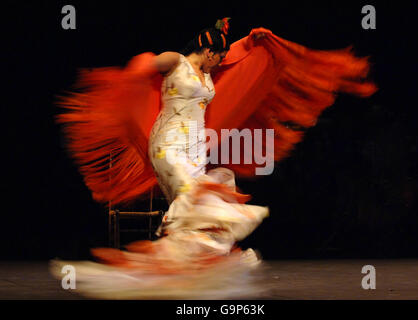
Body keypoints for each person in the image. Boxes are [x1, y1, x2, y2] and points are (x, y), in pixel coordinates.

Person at [52, 18, 376, 298]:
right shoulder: (176, 62)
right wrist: (132, 78)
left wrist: (251, 41)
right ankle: (176, 267)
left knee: (202, 205)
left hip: (194, 148)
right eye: (217, 57)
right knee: (195, 201)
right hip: (168, 145)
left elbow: (234, 55)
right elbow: (147, 65)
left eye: (222, 57)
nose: (220, 63)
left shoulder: (207, 74)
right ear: (207, 52)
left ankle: (186, 270)